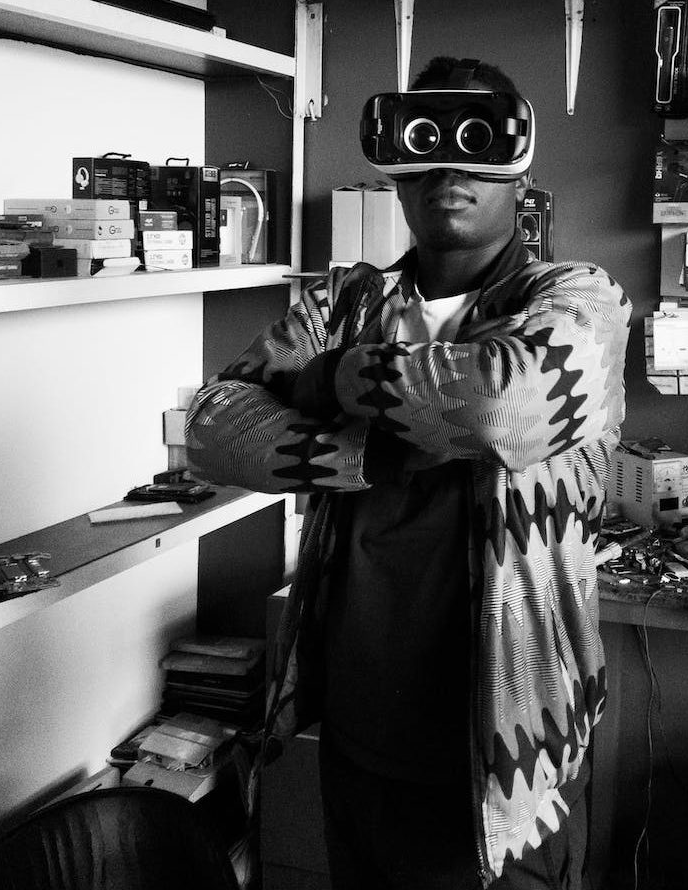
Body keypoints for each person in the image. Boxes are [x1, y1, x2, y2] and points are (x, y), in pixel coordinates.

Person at [186, 55, 631, 888]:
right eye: (424, 141)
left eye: (478, 140)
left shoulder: (579, 299)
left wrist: (337, 379)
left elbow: (508, 411)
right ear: (393, 163)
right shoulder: (344, 301)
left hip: (510, 748)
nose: (448, 168)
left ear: (519, 161)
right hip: (358, 730)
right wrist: (377, 448)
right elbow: (213, 429)